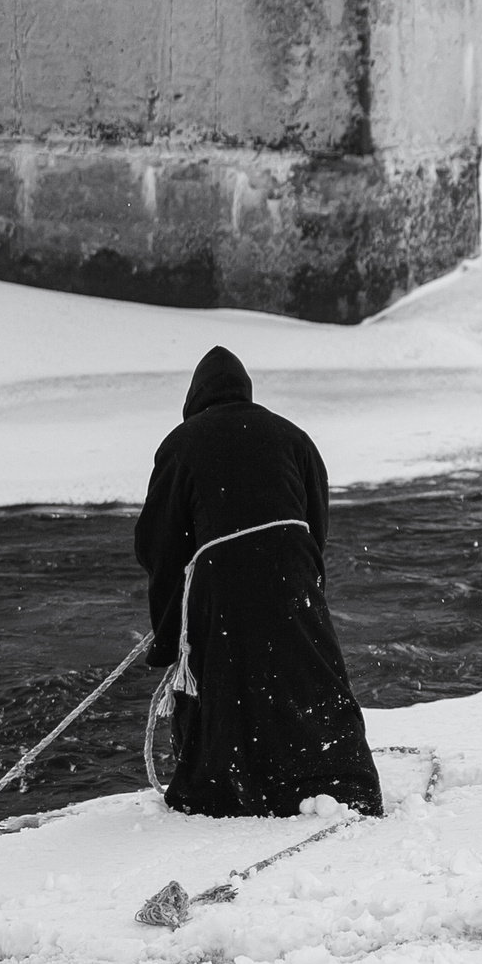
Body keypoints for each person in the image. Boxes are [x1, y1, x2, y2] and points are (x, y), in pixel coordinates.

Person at [134, 346, 384, 818]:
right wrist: (302, 583)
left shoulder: (182, 443)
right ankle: (332, 775)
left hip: (220, 586)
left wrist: (172, 631)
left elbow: (159, 542)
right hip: (292, 574)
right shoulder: (292, 436)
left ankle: (228, 787)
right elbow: (316, 523)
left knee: (227, 682)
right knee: (306, 676)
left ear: (196, 398)